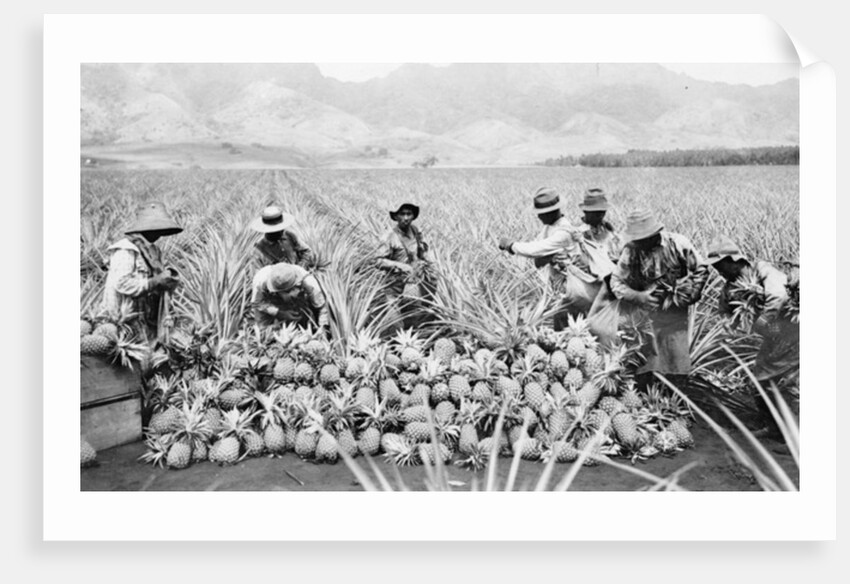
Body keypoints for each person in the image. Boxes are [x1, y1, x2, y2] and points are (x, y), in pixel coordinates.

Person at [706, 236, 799, 437]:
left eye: (720, 265)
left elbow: (779, 296)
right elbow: (722, 313)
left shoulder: (762, 270)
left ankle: (795, 436)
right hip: (773, 336)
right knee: (761, 379)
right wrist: (729, 325)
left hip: (791, 333)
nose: (717, 270)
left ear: (733, 260)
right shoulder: (729, 287)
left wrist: (763, 321)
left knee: (789, 383)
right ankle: (775, 428)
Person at [609, 209, 709, 385]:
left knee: (676, 357)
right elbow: (616, 282)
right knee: (645, 362)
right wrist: (638, 296)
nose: (644, 242)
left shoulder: (677, 243)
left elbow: (701, 268)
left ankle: (677, 391)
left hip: (674, 312)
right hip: (644, 312)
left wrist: (692, 293)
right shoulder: (631, 251)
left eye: (647, 237)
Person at [498, 187, 614, 330]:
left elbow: (534, 250)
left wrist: (511, 245)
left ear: (551, 213)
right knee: (565, 327)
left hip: (572, 289)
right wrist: (547, 257)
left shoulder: (564, 232)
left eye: (541, 214)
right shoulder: (549, 229)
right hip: (559, 289)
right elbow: (537, 260)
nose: (539, 217)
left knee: (573, 327)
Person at [101, 201, 183, 339]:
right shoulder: (126, 250)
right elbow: (122, 284)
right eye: (158, 228)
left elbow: (158, 280)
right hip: (122, 321)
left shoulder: (154, 251)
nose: (161, 233)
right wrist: (154, 282)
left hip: (144, 318)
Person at [375, 202, 433, 331]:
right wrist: (400, 266)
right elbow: (378, 261)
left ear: (413, 216)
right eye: (402, 214)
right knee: (395, 323)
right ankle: (394, 346)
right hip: (394, 285)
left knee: (413, 317)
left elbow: (422, 252)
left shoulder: (415, 231)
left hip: (412, 283)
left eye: (409, 214)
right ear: (396, 217)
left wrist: (425, 262)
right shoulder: (389, 236)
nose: (406, 218)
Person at [250, 262, 328, 331]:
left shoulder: (309, 282)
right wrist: (279, 313)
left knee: (301, 313)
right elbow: (257, 303)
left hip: (297, 294)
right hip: (269, 298)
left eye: (288, 291)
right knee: (263, 329)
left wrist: (322, 328)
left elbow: (322, 306)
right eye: (283, 292)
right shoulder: (260, 281)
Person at [250, 206, 315, 269]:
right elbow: (257, 275)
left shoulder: (290, 235)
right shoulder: (259, 249)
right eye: (276, 230)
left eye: (281, 228)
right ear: (267, 230)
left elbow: (307, 251)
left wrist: (299, 268)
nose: (281, 231)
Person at [578, 188, 622, 262]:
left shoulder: (609, 232)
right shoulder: (580, 233)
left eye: (602, 212)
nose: (601, 216)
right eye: (597, 213)